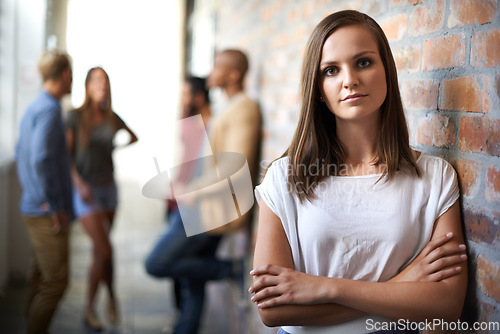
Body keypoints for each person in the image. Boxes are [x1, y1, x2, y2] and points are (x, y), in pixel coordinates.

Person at [249, 10, 467, 334]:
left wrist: (325, 288)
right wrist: (400, 285)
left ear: (387, 72)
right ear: (318, 89)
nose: (349, 79)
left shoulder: (435, 177)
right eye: (331, 70)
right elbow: (274, 309)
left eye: (363, 62)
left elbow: (446, 305)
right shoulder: (285, 178)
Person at [145, 50, 261, 334]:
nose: (210, 73)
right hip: (202, 204)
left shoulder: (244, 107)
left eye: (217, 67)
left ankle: (231, 270)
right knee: (191, 278)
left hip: (208, 207)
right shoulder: (229, 105)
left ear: (233, 75)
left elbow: (236, 164)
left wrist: (193, 190)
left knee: (157, 263)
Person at [66, 66, 138, 330]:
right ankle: (94, 306)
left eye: (105, 80)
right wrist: (79, 184)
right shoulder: (74, 117)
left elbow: (133, 136)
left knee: (102, 249)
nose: (101, 85)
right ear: (87, 85)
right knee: (105, 248)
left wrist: (116, 146)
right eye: (96, 80)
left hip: (109, 189)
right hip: (87, 190)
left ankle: (107, 301)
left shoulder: (111, 117)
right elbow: (66, 156)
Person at [16, 49, 74, 334]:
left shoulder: (35, 105)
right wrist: (55, 205)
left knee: (39, 278)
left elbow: (20, 151)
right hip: (45, 211)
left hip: (33, 204)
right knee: (56, 282)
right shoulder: (50, 110)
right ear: (65, 75)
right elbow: (40, 158)